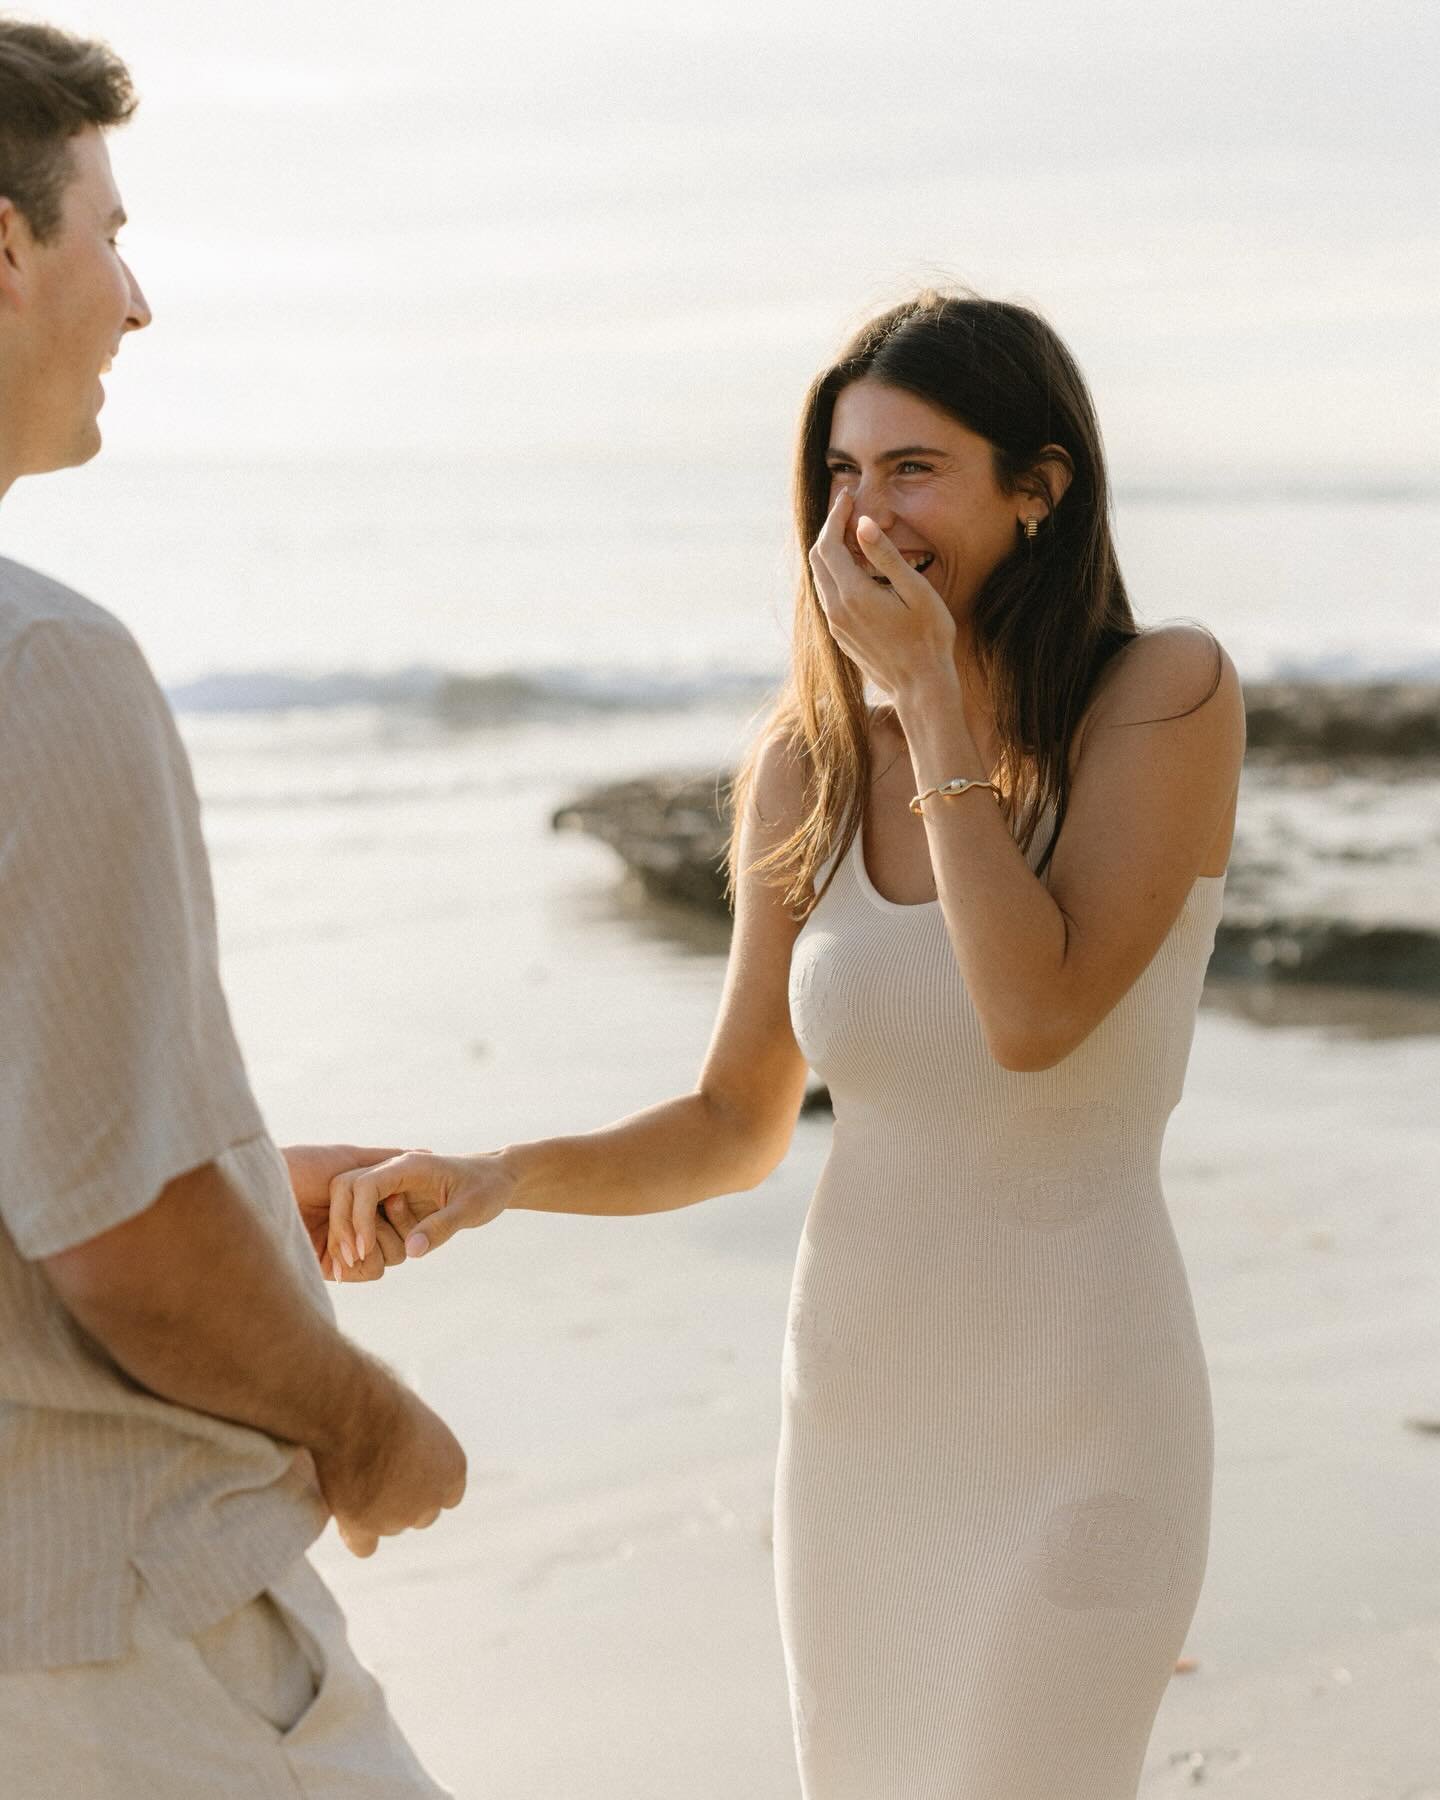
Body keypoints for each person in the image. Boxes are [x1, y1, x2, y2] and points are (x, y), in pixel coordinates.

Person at [329, 292, 1246, 1798]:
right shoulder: (801, 772)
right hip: (860, 1433)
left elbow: (1034, 1017)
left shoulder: (1164, 697)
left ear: (1042, 487)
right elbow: (734, 1122)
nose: (865, 515)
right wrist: (495, 1175)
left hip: (1088, 1422)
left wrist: (933, 698)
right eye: (841, 474)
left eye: (913, 470)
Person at [0, 22, 466, 1797]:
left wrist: (252, 1192)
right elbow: (124, 1245)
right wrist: (371, 1429)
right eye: (111, 234)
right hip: (115, 1649)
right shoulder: (42, 666)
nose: (135, 302)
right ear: (6, 248)